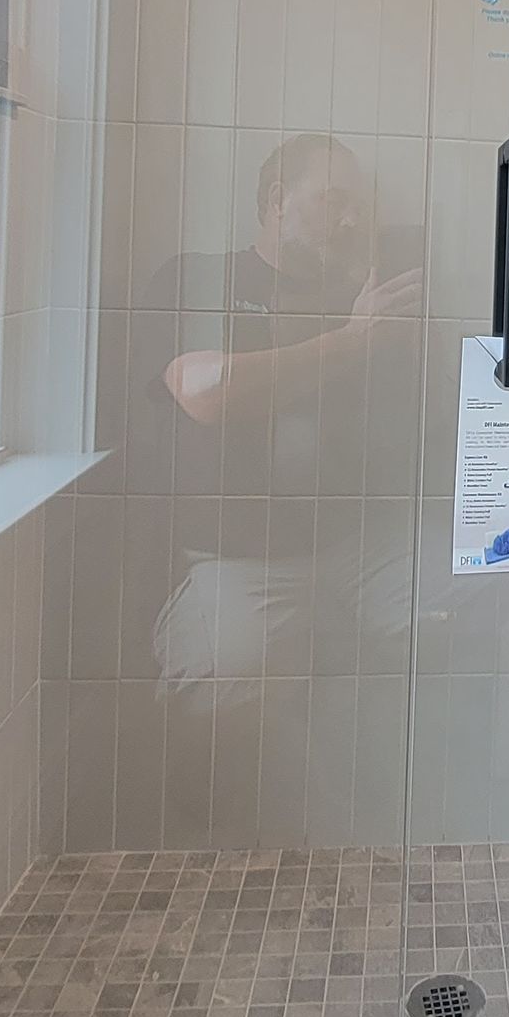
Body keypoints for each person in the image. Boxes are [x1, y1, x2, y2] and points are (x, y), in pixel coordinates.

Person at [144, 134, 421, 694]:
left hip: (358, 546)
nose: (349, 221)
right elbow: (205, 393)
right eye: (332, 200)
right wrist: (352, 340)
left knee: (481, 593)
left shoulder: (367, 299)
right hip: (239, 558)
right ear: (276, 200)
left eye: (358, 209)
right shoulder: (199, 278)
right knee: (220, 690)